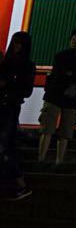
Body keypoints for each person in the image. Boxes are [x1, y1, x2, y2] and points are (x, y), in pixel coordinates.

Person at [38, 27, 76, 167]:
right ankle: (40, 159)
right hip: (55, 94)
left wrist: (71, 75)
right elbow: (63, 74)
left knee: (65, 132)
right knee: (47, 129)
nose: (75, 41)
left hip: (72, 97)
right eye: (73, 39)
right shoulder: (61, 56)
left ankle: (59, 162)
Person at [0, 32, 35, 200]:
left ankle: (21, 183)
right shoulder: (4, 62)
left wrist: (9, 84)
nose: (16, 46)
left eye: (20, 43)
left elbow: (27, 91)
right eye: (14, 42)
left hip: (10, 107)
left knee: (4, 145)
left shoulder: (27, 66)